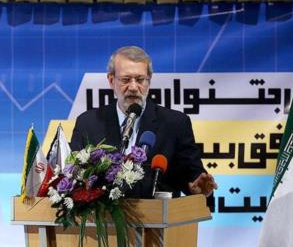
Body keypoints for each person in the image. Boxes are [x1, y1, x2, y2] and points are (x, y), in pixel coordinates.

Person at [70, 46, 217, 198]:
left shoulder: (175, 124)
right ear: (111, 80)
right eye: (126, 80)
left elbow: (193, 179)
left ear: (149, 81)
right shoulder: (88, 123)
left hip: (160, 216)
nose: (133, 87)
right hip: (102, 219)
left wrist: (200, 190)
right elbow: (71, 174)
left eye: (140, 80)